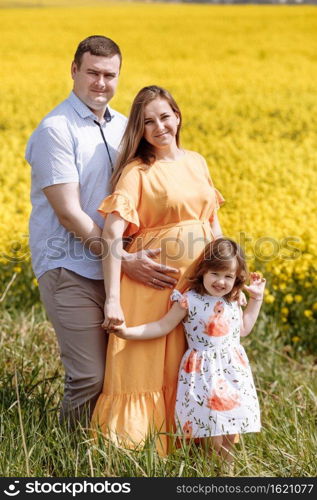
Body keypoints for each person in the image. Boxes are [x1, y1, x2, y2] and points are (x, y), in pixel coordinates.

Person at [25, 37, 179, 427]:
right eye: (92, 72)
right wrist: (125, 260)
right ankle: (61, 457)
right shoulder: (55, 130)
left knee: (120, 375)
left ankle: (105, 452)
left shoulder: (125, 127)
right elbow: (69, 214)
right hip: (70, 268)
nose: (101, 82)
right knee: (89, 376)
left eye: (110, 75)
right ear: (74, 70)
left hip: (117, 271)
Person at [91, 85, 225, 455]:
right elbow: (111, 234)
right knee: (144, 370)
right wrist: (112, 301)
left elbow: (213, 224)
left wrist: (231, 279)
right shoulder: (137, 171)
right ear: (139, 129)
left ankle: (189, 446)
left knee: (190, 365)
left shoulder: (196, 161)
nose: (159, 126)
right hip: (150, 289)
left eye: (165, 116)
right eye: (148, 121)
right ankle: (133, 452)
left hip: (195, 290)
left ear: (178, 116)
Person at [111, 238, 265, 470]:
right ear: (202, 271)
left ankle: (227, 475)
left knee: (230, 433)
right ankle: (207, 473)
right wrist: (126, 333)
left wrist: (257, 299)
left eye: (228, 277)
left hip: (232, 373)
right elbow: (162, 326)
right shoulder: (189, 300)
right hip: (204, 374)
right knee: (212, 429)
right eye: (215, 273)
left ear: (237, 279)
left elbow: (243, 329)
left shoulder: (232, 300)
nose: (221, 282)